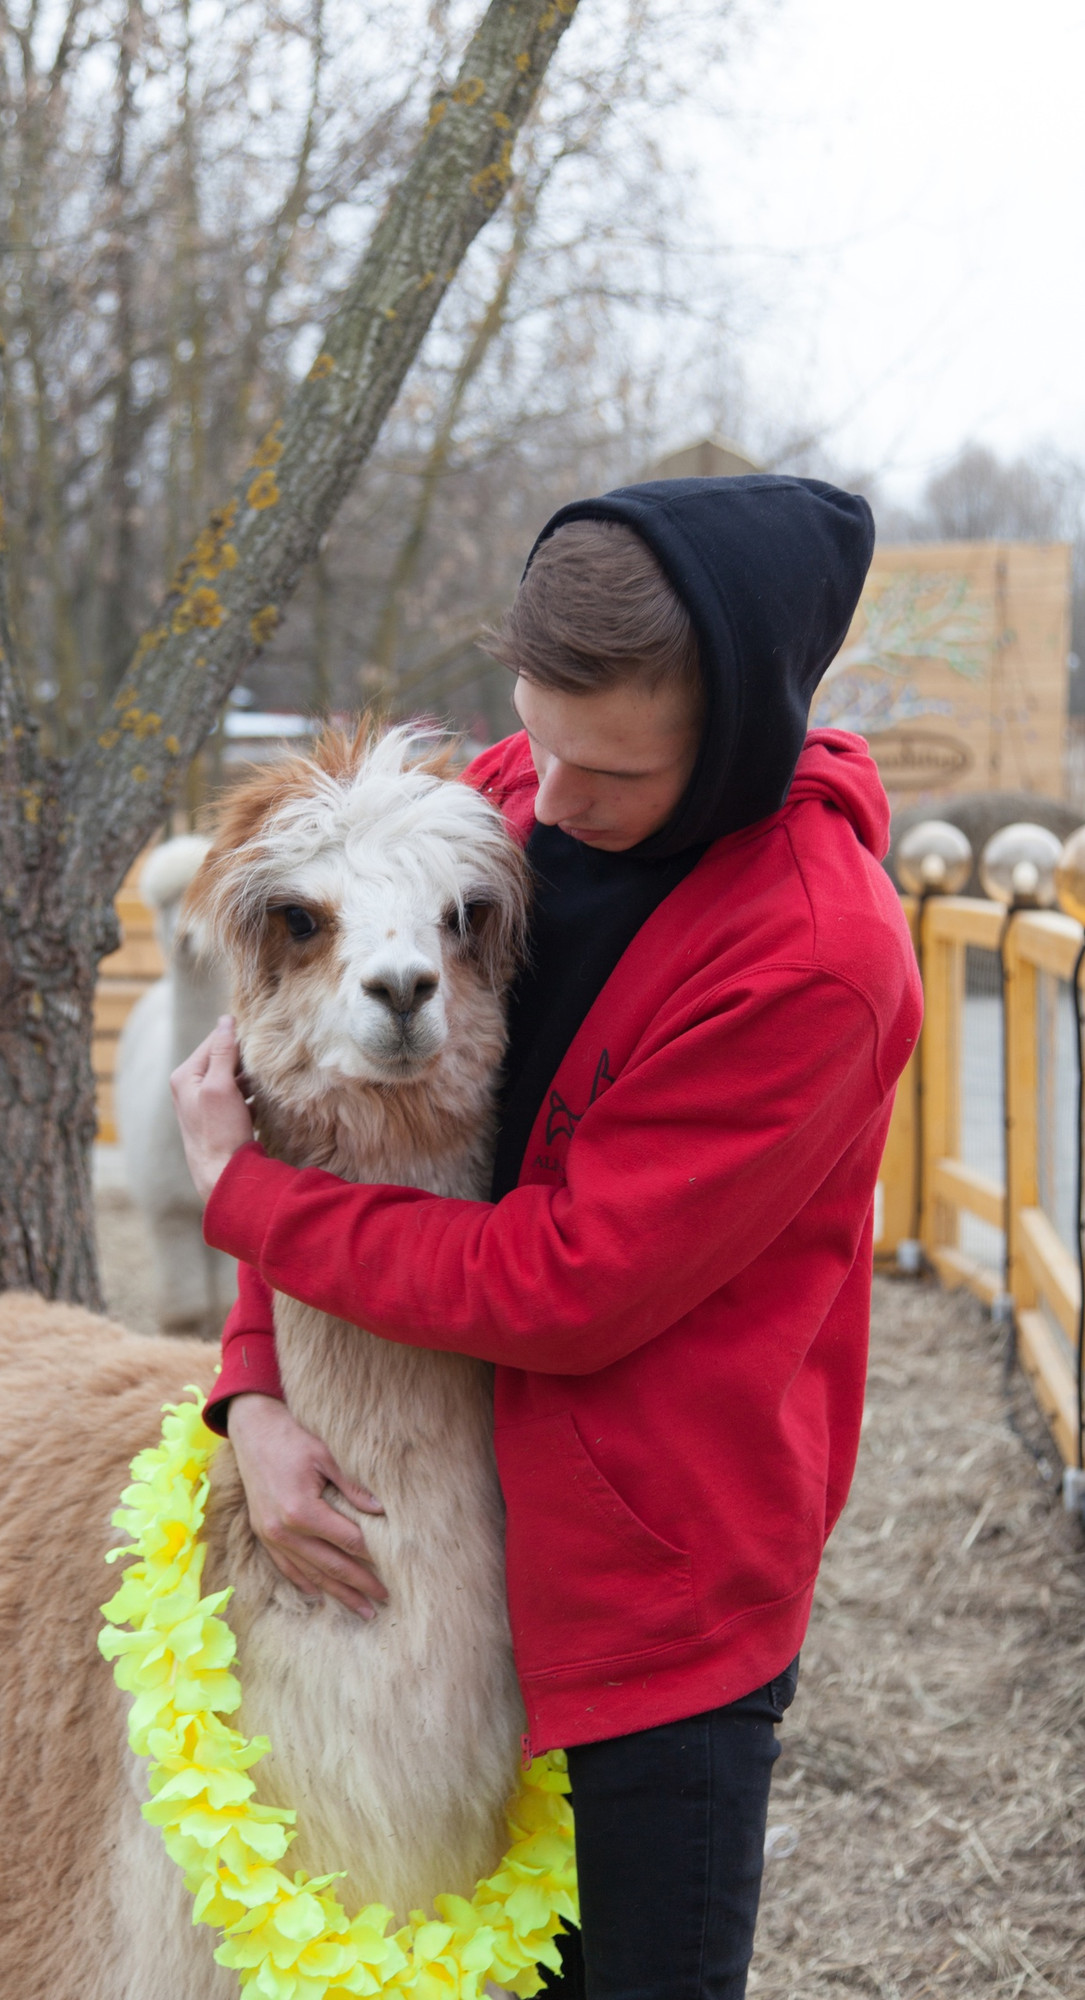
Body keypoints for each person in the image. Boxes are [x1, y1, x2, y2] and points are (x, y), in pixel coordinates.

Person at [170, 475, 923, 2000]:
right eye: (540, 735)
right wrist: (253, 1379)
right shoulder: (494, 815)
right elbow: (319, 1103)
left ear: (742, 738)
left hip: (653, 1596)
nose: (550, 798)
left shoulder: (813, 958)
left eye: (613, 772)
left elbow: (565, 1281)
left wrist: (238, 1198)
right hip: (451, 1537)